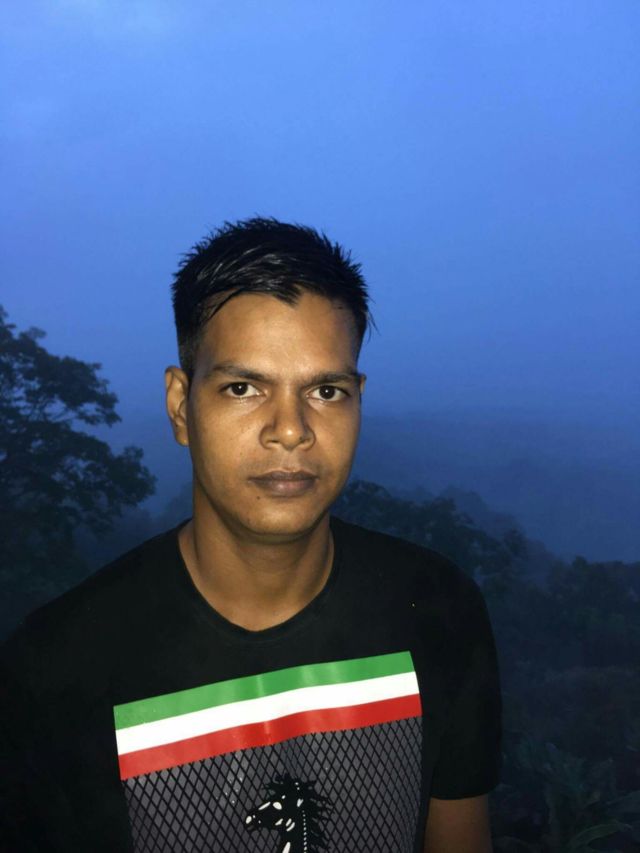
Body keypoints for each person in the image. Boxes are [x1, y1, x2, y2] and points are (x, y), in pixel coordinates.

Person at [1, 217, 502, 852]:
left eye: (326, 390)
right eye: (242, 388)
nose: (290, 429)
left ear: (359, 400)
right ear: (181, 406)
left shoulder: (439, 608)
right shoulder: (53, 666)